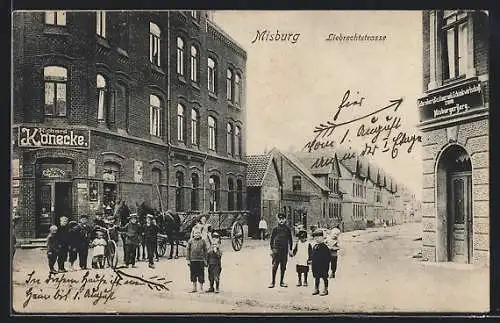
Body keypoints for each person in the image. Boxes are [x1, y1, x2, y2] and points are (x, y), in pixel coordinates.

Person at [268, 213, 293, 288]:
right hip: (276, 250)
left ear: (285, 219)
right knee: (275, 266)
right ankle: (272, 282)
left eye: (282, 219)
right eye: (280, 219)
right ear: (277, 220)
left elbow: (290, 240)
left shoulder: (287, 229)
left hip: (284, 251)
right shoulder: (275, 229)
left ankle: (282, 282)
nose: (281, 220)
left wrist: (290, 249)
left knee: (283, 266)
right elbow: (271, 240)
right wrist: (272, 249)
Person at [186, 227, 208, 293]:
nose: (197, 234)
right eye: (196, 233)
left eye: (198, 233)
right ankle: (194, 287)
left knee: (201, 274)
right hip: (193, 260)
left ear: (200, 234)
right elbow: (188, 250)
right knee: (193, 274)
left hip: (201, 260)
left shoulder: (203, 241)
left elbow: (205, 250)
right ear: (193, 234)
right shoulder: (190, 241)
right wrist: (188, 260)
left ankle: (201, 288)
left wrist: (205, 259)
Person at [310, 229, 331, 296]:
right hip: (316, 265)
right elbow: (312, 255)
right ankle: (316, 289)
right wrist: (311, 260)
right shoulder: (315, 246)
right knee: (317, 277)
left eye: (318, 237)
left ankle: (325, 289)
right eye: (315, 238)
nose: (317, 239)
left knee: (324, 277)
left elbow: (328, 257)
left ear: (322, 237)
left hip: (323, 265)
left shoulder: (324, 247)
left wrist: (325, 264)